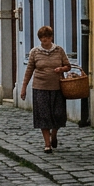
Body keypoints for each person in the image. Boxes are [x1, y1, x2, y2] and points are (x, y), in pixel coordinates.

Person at [19, 25, 70, 153]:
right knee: (43, 116)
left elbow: (68, 66)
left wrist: (61, 69)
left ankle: (54, 134)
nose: (44, 40)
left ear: (51, 37)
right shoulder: (35, 52)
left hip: (57, 87)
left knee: (58, 114)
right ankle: (47, 143)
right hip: (40, 87)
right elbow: (29, 70)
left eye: (47, 38)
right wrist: (23, 87)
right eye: (42, 38)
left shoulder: (59, 50)